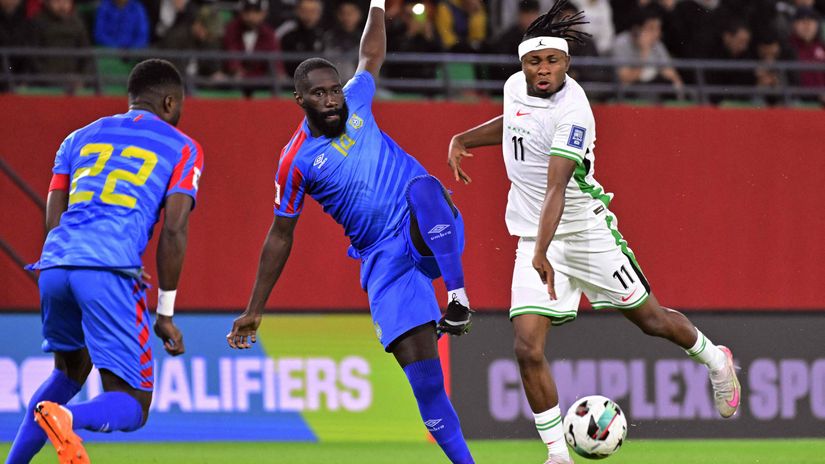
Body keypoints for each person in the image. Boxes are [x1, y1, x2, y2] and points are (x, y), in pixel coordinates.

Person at [446, 2, 741, 463]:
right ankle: (557, 456)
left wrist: (542, 252)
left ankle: (715, 360)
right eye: (534, 61)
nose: (543, 69)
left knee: (652, 320)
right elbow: (515, 124)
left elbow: (556, 188)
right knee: (526, 348)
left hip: (585, 234)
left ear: (567, 62)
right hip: (534, 237)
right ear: (522, 64)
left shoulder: (575, 111)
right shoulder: (513, 88)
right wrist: (464, 138)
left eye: (552, 61)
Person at [225, 2, 475, 463]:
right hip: (382, 259)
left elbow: (370, 55)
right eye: (319, 94)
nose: (331, 100)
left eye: (335, 90)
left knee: (422, 187)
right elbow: (280, 235)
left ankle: (458, 298)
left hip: (424, 225)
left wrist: (376, 4)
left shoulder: (357, 98)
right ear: (300, 100)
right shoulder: (295, 160)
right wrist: (254, 309)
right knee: (426, 385)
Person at [5, 59, 203, 464]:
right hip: (107, 269)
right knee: (133, 402)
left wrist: (71, 259)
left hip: (55, 265)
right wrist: (165, 313)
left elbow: (54, 215)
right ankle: (67, 418)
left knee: (68, 372)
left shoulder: (77, 138)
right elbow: (174, 228)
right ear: (170, 102)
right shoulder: (183, 146)